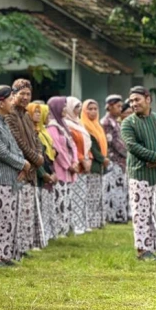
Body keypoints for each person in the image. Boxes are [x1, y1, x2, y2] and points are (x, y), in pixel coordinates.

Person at [121, 86, 156, 260]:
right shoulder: (128, 123)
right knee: (141, 213)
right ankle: (142, 251)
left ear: (148, 99)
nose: (133, 104)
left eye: (137, 100)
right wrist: (153, 157)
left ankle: (155, 248)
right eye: (131, 101)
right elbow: (132, 146)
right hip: (139, 174)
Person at [0, 85, 28, 266]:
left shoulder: (3, 122)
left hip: (11, 178)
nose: (12, 102)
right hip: (0, 179)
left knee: (8, 218)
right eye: (10, 99)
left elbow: (15, 148)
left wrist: (22, 164)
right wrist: (22, 164)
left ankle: (5, 255)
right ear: (1, 103)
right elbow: (1, 152)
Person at [5, 79, 44, 255]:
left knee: (26, 210)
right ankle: (13, 248)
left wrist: (39, 155)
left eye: (28, 94)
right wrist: (35, 158)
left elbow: (35, 139)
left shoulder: (26, 115)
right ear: (13, 95)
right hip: (18, 168)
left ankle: (23, 246)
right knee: (16, 210)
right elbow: (17, 141)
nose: (26, 97)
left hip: (31, 168)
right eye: (22, 94)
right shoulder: (10, 115)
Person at [46, 97, 79, 238]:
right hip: (60, 169)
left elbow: (72, 145)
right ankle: (59, 230)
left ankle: (66, 228)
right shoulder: (52, 127)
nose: (65, 109)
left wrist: (75, 161)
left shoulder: (63, 125)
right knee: (59, 200)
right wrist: (68, 165)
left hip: (69, 169)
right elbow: (57, 149)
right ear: (56, 108)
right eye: (63, 106)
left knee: (66, 199)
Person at [27, 102, 58, 245]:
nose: (39, 115)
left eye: (40, 112)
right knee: (35, 206)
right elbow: (34, 155)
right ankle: (35, 238)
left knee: (44, 206)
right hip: (36, 173)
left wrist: (52, 171)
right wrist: (43, 173)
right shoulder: (30, 132)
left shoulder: (42, 131)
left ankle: (44, 235)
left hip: (46, 170)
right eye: (36, 112)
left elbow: (47, 153)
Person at [62, 97, 91, 235]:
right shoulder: (66, 125)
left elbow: (86, 144)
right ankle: (75, 225)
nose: (78, 110)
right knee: (75, 197)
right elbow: (72, 145)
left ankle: (81, 224)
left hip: (84, 164)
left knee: (82, 196)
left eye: (79, 107)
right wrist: (81, 159)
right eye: (75, 107)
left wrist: (88, 158)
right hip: (75, 165)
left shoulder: (78, 123)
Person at [101, 95, 129, 223]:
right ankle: (112, 216)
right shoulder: (107, 122)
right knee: (112, 189)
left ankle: (119, 215)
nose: (120, 109)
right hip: (113, 160)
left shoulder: (115, 121)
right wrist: (128, 154)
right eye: (118, 106)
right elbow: (114, 142)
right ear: (110, 106)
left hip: (120, 161)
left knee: (119, 188)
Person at [82, 99, 109, 229]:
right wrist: (102, 159)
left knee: (97, 194)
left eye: (95, 109)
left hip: (99, 165)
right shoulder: (84, 126)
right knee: (91, 195)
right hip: (91, 164)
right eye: (90, 109)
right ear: (84, 110)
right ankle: (91, 222)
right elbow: (92, 148)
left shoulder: (97, 126)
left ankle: (97, 221)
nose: (93, 111)